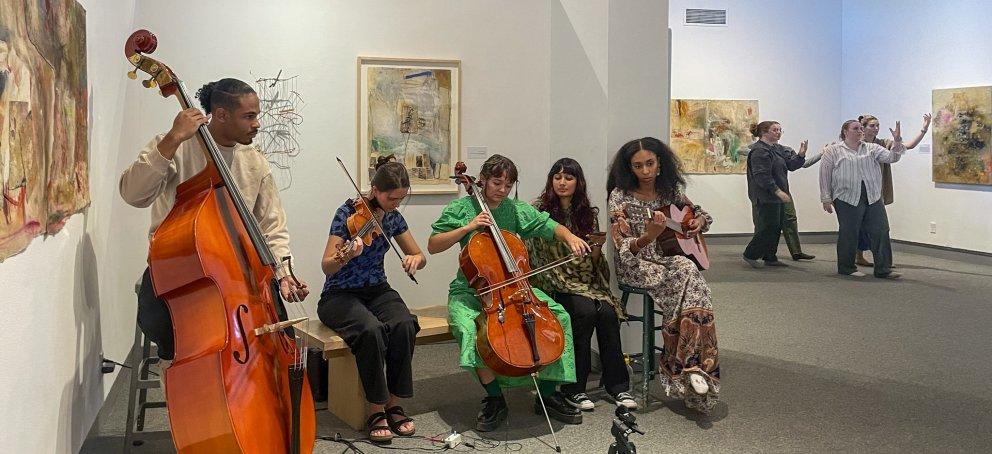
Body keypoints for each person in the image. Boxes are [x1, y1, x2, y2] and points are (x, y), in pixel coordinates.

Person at [120, 78, 310, 379]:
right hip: (177, 270)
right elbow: (133, 195)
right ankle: (183, 379)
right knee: (159, 319)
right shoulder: (177, 147)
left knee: (276, 331)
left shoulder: (256, 162)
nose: (257, 124)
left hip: (236, 272)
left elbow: (272, 227)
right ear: (221, 115)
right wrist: (171, 139)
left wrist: (283, 275)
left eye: (256, 115)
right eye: (249, 116)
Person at [427, 154, 591, 431]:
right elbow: (433, 245)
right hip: (473, 290)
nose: (502, 190)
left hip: (515, 288)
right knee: (472, 329)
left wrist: (571, 237)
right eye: (496, 183)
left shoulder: (516, 210)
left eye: (508, 184)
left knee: (559, 316)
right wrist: (469, 227)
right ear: (483, 180)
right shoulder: (462, 208)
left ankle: (548, 395)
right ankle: (494, 399)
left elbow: (549, 226)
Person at [317, 156, 426, 443]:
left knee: (404, 323)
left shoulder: (392, 217)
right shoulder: (347, 214)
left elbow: (419, 254)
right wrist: (345, 256)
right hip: (339, 294)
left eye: (401, 199)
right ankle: (376, 410)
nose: (395, 204)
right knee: (371, 330)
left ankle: (395, 403)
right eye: (391, 198)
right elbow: (327, 266)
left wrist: (415, 259)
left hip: (376, 288)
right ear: (375, 190)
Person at [607, 137, 720, 414]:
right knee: (689, 278)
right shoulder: (619, 197)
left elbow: (703, 215)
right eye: (637, 166)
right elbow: (623, 248)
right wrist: (648, 236)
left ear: (660, 164)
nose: (645, 171)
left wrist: (697, 223)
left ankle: (688, 365)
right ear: (628, 168)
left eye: (650, 163)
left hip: (670, 261)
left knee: (687, 270)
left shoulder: (671, 192)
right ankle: (691, 366)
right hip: (637, 264)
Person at [526, 158, 637, 411]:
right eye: (557, 177)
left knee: (608, 313)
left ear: (578, 182)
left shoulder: (588, 213)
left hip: (584, 281)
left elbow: (592, 261)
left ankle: (618, 387)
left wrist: (594, 250)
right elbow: (535, 254)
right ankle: (574, 388)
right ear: (550, 180)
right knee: (585, 312)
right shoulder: (539, 209)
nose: (562, 183)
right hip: (554, 281)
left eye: (569, 178)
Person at [819, 120, 905, 278]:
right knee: (849, 232)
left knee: (881, 230)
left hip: (872, 195)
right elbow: (825, 174)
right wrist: (826, 198)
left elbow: (893, 157)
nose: (860, 131)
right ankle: (847, 267)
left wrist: (897, 141)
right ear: (845, 131)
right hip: (846, 197)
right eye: (855, 128)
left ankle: (883, 269)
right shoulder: (833, 151)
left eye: (860, 128)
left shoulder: (872, 148)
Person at [853, 114, 930, 267]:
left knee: (878, 227)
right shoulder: (855, 144)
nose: (876, 128)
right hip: (858, 190)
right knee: (859, 225)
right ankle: (858, 256)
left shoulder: (882, 143)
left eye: (877, 125)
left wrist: (924, 129)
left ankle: (881, 261)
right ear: (863, 127)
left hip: (876, 191)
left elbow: (907, 146)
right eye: (872, 126)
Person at [743, 121, 809, 267]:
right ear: (764, 132)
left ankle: (770, 257)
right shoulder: (760, 151)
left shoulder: (776, 149)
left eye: (780, 130)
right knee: (768, 227)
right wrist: (777, 191)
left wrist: (800, 155)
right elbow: (762, 176)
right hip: (766, 196)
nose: (778, 132)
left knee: (776, 227)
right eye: (775, 130)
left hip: (776, 196)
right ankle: (750, 254)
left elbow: (791, 166)